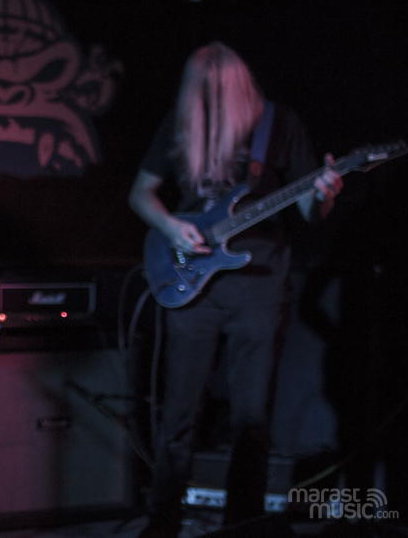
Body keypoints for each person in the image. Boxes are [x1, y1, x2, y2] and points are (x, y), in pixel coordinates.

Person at [128, 42, 343, 536]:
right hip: (191, 281)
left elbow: (309, 212)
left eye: (218, 92)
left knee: (252, 414)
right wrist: (170, 227)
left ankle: (243, 523)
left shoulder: (278, 125)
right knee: (179, 413)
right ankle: (163, 521)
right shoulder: (180, 124)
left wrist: (324, 195)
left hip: (259, 285)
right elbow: (141, 193)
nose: (209, 102)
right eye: (200, 93)